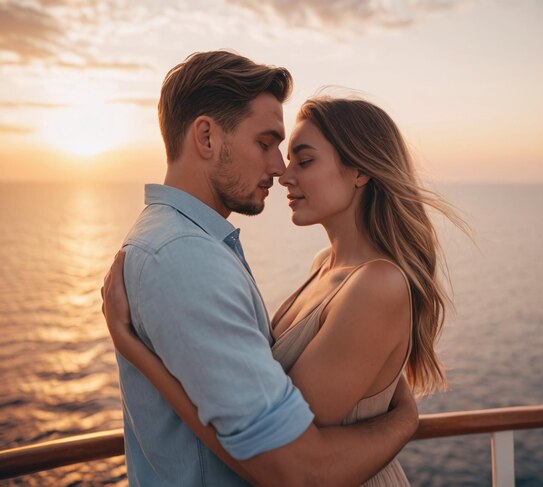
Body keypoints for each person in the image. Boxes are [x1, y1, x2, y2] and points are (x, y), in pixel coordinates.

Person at [101, 50, 420, 487]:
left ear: (359, 171)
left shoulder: (372, 282)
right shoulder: (190, 255)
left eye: (300, 159)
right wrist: (403, 419)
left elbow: (290, 462)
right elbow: (289, 460)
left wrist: (134, 348)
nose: (281, 170)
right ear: (208, 138)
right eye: (266, 144)